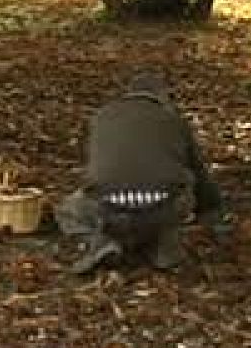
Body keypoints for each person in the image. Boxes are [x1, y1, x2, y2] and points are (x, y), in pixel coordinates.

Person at [55, 70, 228, 274]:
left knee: (67, 210)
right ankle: (164, 247)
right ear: (162, 96)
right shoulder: (173, 120)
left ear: (128, 93)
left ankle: (99, 244)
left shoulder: (102, 116)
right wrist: (212, 213)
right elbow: (199, 174)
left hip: (108, 207)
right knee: (178, 190)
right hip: (164, 206)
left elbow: (94, 166)